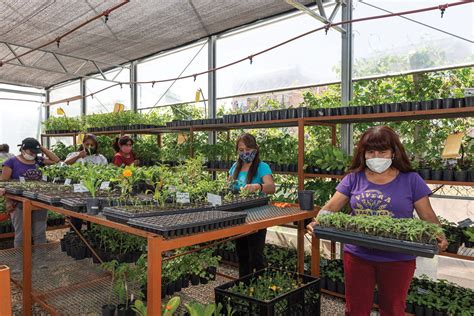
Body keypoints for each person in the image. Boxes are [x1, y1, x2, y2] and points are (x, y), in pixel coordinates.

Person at [307, 126, 448, 316]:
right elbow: (331, 208)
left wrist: (439, 235)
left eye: (382, 151)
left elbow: (428, 216)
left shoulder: (411, 180)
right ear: (363, 153)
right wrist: (317, 222)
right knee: (355, 308)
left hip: (398, 257)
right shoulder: (353, 178)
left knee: (393, 309)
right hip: (358, 255)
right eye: (371, 151)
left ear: (393, 152)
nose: (376, 156)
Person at [228, 133, 275, 277]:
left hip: (258, 215)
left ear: (255, 148)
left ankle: (260, 285)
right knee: (242, 254)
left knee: (256, 255)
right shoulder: (235, 167)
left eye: (248, 149)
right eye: (241, 150)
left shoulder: (262, 166)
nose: (245, 153)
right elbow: (228, 185)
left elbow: (271, 187)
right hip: (239, 215)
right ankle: (244, 285)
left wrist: (257, 187)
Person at [1, 137, 60, 249]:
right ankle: (20, 263)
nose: (33, 154)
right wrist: (8, 201)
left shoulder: (39, 160)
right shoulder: (11, 162)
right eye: (31, 151)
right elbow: (3, 183)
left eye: (35, 152)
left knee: (39, 233)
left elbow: (56, 160)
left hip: (39, 202)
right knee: (21, 235)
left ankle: (40, 263)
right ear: (23, 149)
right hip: (18, 203)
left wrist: (41, 147)